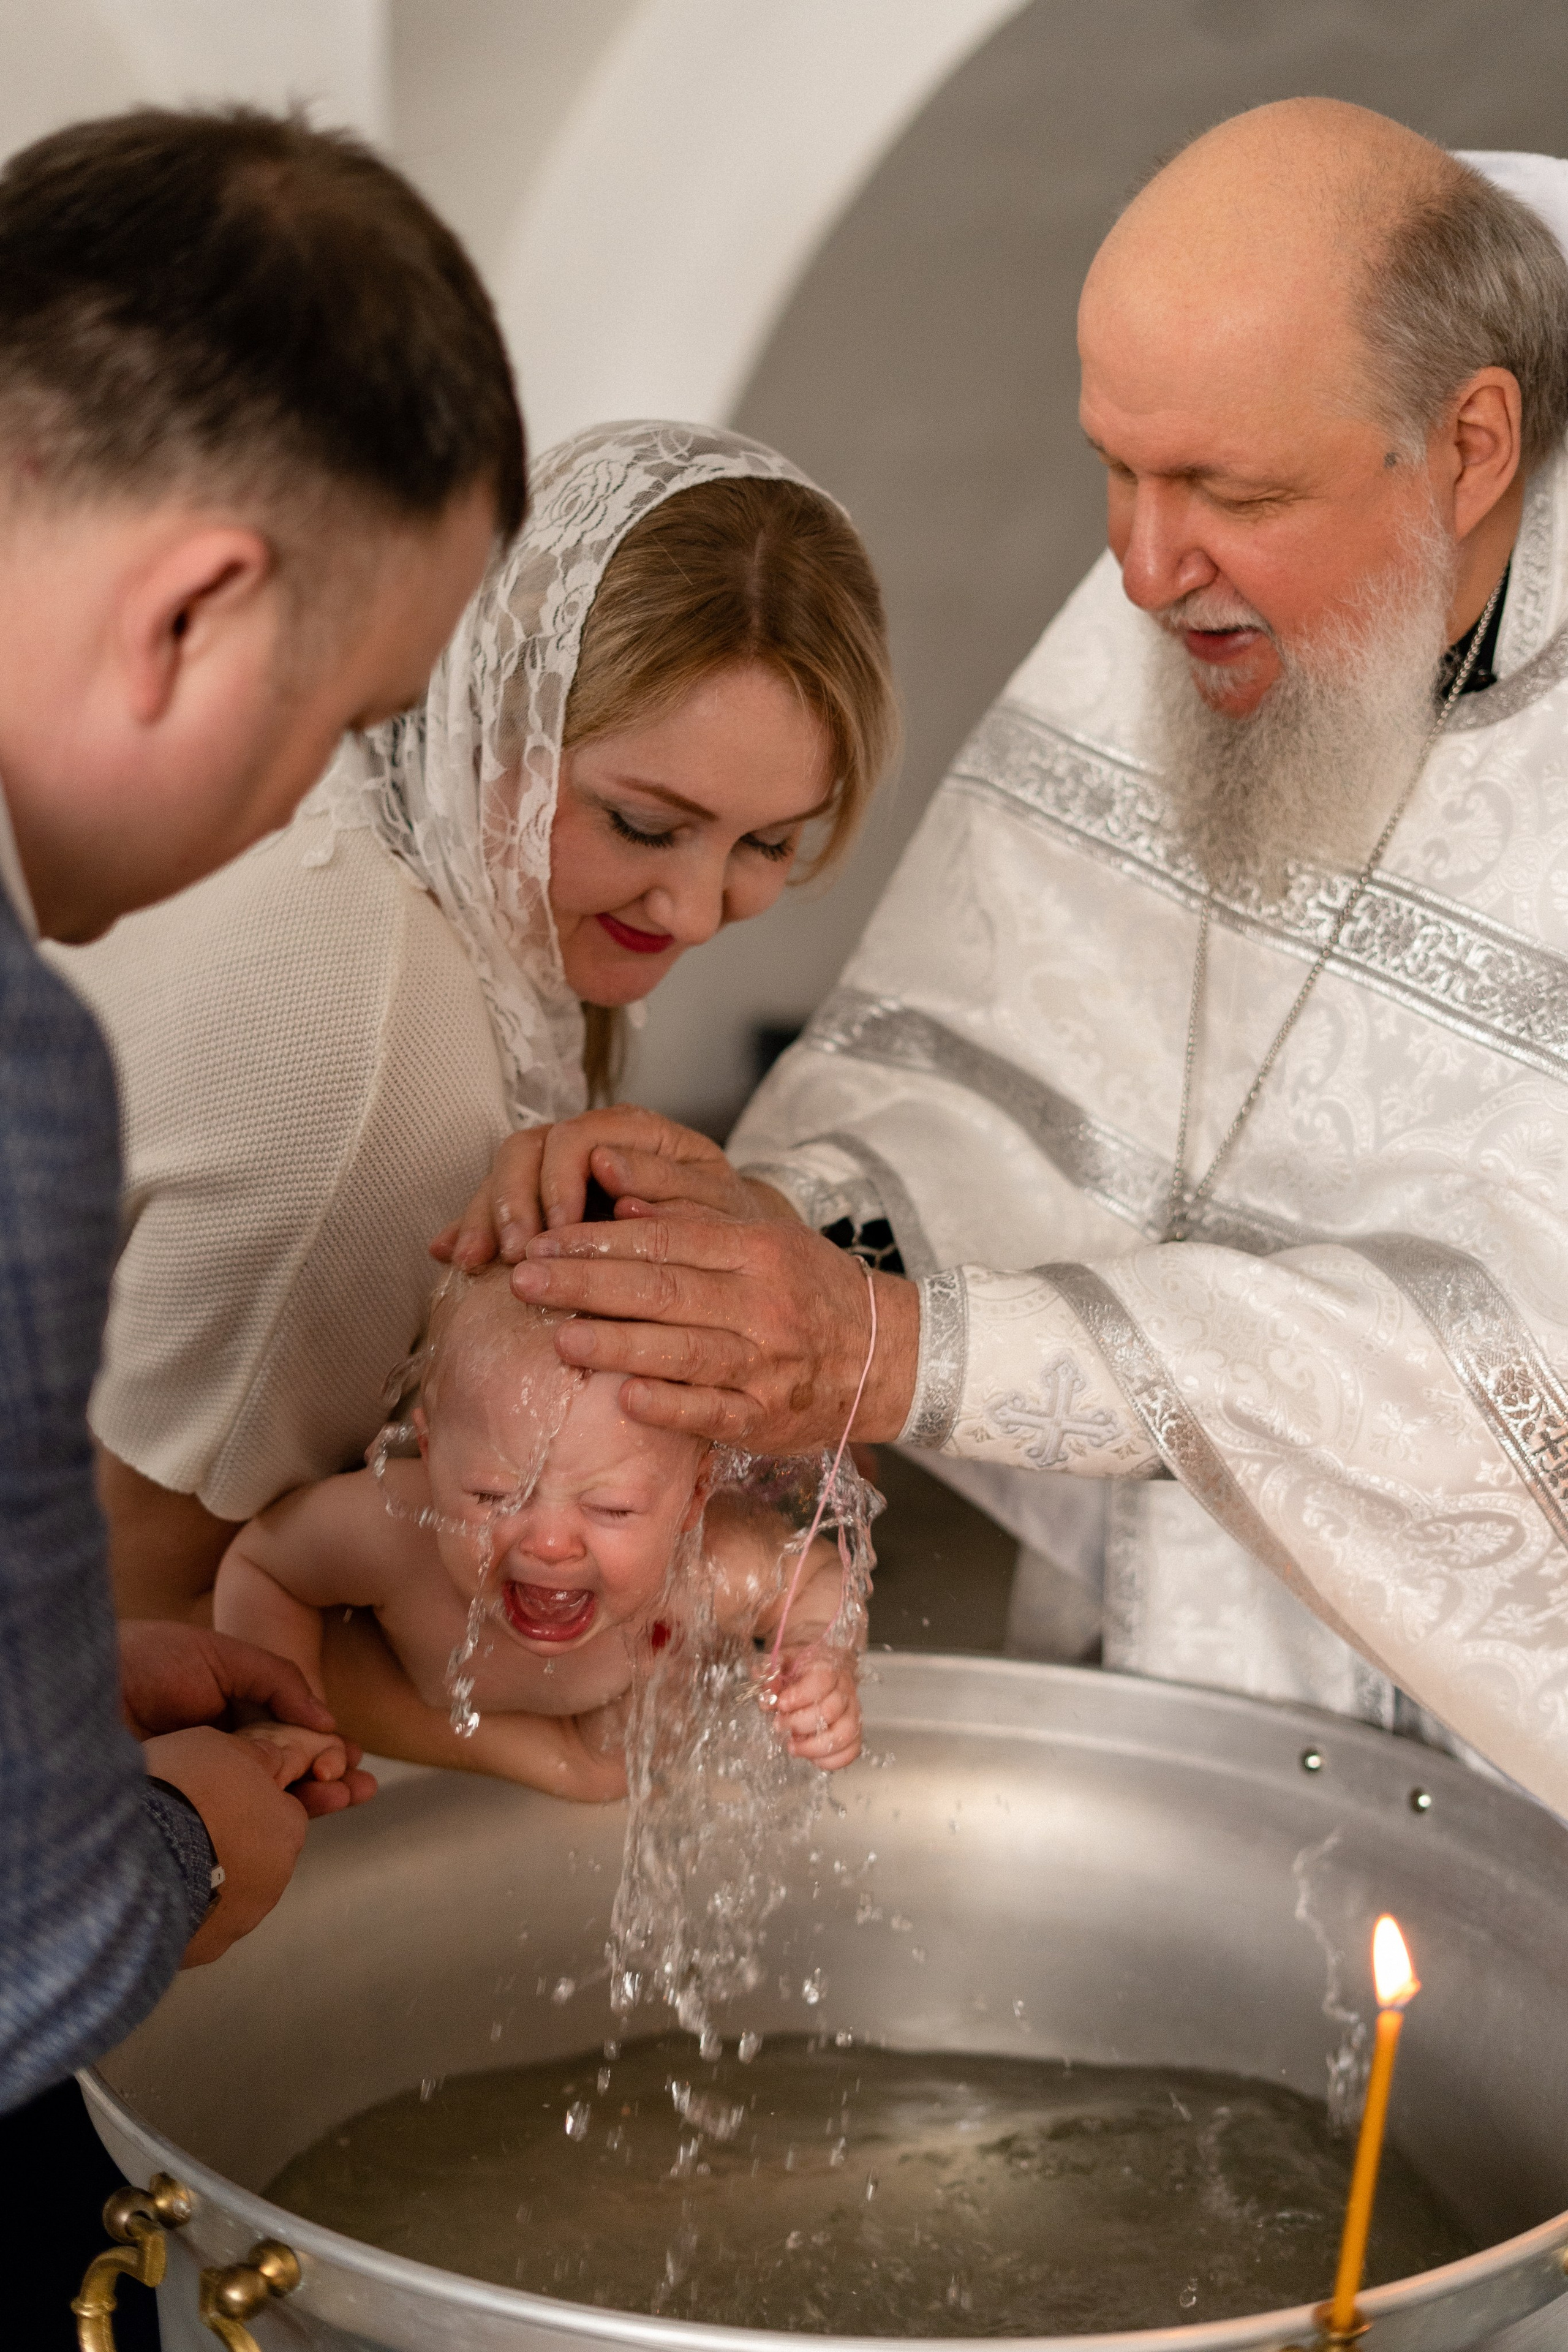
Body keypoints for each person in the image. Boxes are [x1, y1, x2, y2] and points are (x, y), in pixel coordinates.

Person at [464, 108, 1568, 1820]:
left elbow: (1532, 1359)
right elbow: (1026, 1050)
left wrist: (905, 1352)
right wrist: (773, 1236)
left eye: (1222, 491)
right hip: (1197, 1664)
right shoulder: (1218, 574)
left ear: (1471, 447)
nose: (1138, 567)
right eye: (1112, 472)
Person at [58, 420, 895, 1749]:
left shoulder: (351, 776)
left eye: (767, 843)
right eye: (641, 823)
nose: (690, 907)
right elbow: (144, 1608)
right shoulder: (373, 1068)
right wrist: (556, 1760)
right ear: (500, 706)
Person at [0, 97, 519, 2137]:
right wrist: (181, 1851)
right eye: (349, 724)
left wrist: (49, 1705)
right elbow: (27, 1951)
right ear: (199, 611)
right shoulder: (21, 1065)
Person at [213, 1270, 864, 1795]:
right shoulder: (386, 1533)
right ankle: (582, 1770)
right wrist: (281, 1719)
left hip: (610, 1726)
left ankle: (590, 1768)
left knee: (627, 1757)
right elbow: (262, 1567)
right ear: (431, 1453)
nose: (549, 1545)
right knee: (606, 1772)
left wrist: (819, 1656)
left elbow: (816, 1574)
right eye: (494, 1496)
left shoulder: (709, 1563)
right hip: (438, 1716)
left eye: (611, 1508)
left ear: (695, 1494)